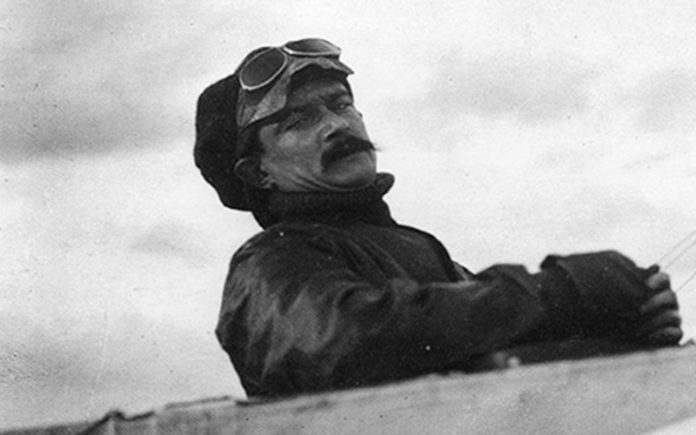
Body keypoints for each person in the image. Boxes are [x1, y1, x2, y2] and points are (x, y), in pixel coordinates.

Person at [194, 38, 683, 398]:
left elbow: (482, 340)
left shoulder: (417, 248)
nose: (336, 125)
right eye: (298, 121)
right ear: (258, 172)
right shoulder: (269, 262)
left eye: (341, 104)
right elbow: (342, 342)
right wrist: (563, 293)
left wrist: (620, 326)